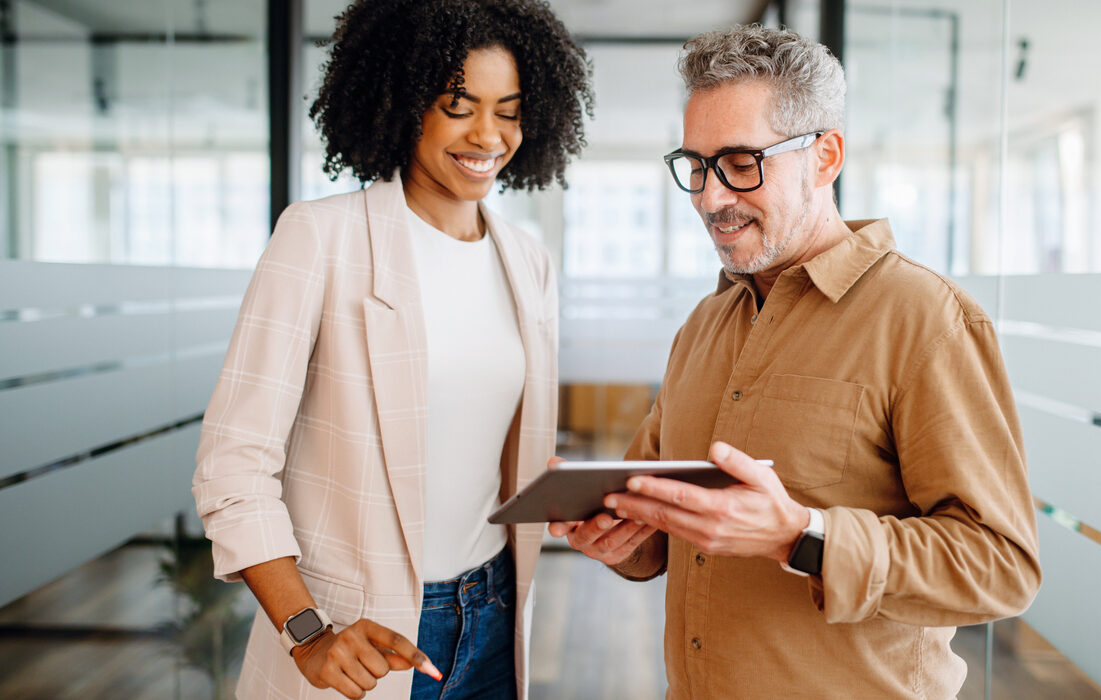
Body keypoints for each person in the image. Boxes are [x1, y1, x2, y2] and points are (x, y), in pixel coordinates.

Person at [550, 24, 1041, 699]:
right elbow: (658, 534)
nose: (710, 197)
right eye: (696, 165)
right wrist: (617, 538)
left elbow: (1000, 567)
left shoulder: (926, 319)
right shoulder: (703, 325)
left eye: (740, 162)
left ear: (825, 157)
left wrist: (800, 536)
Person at [192, 1, 591, 698]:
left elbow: (497, 452)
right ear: (404, 105)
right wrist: (307, 632)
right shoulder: (320, 238)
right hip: (362, 632)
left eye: (509, 111)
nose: (488, 135)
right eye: (458, 106)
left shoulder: (528, 261)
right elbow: (233, 466)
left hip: (495, 610)